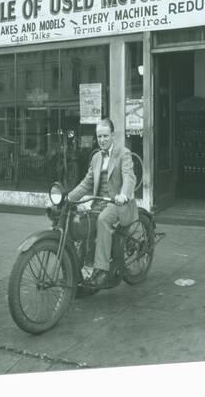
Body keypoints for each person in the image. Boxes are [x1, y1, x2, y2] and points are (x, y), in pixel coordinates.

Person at [68, 118, 138, 288]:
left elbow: (129, 177)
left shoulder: (124, 153)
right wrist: (68, 198)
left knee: (103, 219)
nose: (102, 140)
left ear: (112, 135)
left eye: (105, 136)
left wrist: (123, 195)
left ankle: (102, 270)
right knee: (80, 222)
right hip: (99, 203)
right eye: (99, 137)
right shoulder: (96, 158)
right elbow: (87, 183)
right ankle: (78, 267)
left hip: (118, 204)